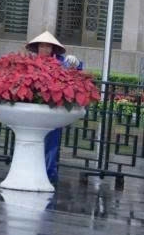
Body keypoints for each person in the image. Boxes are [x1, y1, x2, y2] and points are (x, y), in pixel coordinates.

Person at [25, 31, 83, 184]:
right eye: (42, 46)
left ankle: (49, 174)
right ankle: (28, 171)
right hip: (34, 109)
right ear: (37, 48)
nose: (45, 49)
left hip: (53, 110)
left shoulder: (60, 62)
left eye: (48, 46)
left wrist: (76, 64)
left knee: (52, 143)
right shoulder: (31, 63)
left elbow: (77, 68)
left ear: (53, 49)